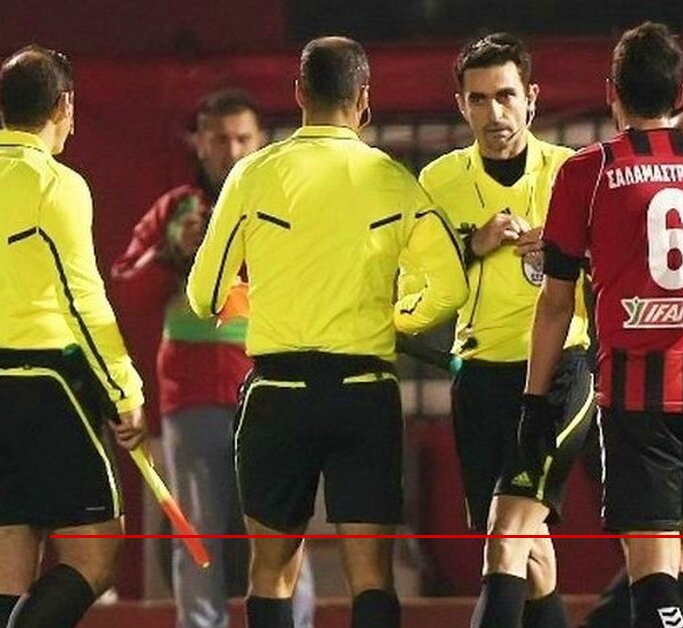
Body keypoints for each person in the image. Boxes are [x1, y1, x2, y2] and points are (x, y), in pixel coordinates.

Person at [185, 36, 468, 628]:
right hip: (364, 393)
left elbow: (204, 294)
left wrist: (260, 298)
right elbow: (449, 289)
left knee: (272, 572)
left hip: (278, 395)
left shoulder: (254, 174)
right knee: (372, 576)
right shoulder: (392, 179)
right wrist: (395, 320)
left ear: (298, 94)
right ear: (363, 99)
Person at [524, 21, 683, 628]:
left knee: (650, 567)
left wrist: (534, 399)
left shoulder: (586, 171)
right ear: (679, 95)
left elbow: (555, 304)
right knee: (682, 555)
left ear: (612, 92)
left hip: (638, 393)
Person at [110, 88, 315, 628]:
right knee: (196, 535)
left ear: (261, 141)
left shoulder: (282, 206)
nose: (232, 150)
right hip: (193, 396)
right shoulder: (174, 211)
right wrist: (171, 253)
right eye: (220, 139)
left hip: (270, 390)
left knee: (282, 528)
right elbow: (126, 292)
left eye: (243, 138)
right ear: (199, 143)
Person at [417, 33, 594, 628]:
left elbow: (613, 269)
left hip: (558, 372)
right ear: (461, 105)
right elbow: (413, 282)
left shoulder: (571, 172)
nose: (494, 112)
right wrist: (474, 244)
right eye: (479, 99)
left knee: (505, 538)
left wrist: (566, 251)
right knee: (532, 556)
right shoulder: (437, 182)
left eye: (506, 95)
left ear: (532, 98)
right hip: (478, 376)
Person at [0, 45, 148, 628]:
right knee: (96, 554)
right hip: (45, 388)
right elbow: (81, 300)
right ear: (64, 105)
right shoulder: (55, 184)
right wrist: (124, 391)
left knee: (10, 556)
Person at [580, 102, 683, 628]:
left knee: (669, 554)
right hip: (649, 395)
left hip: (663, 395)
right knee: (662, 553)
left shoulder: (621, 190)